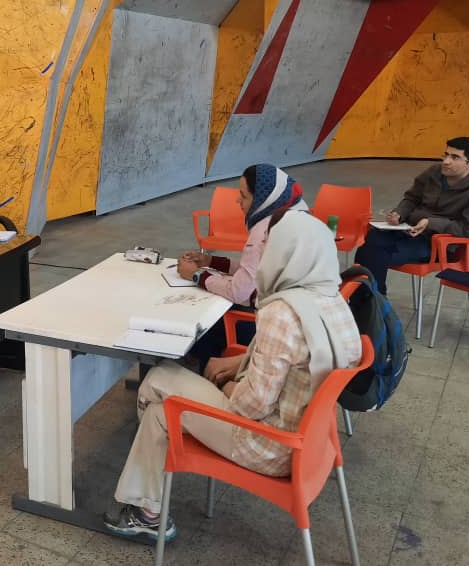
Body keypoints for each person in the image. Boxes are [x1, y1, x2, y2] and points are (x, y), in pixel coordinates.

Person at [104, 210, 362, 541]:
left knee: (157, 379)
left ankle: (156, 487)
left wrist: (228, 384)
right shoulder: (335, 302)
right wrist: (244, 363)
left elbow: (251, 406)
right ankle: (147, 512)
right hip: (312, 443)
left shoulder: (282, 313)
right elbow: (300, 360)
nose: (262, 254)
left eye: (269, 246)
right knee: (159, 414)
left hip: (267, 445)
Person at [176, 164, 309, 369]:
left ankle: (210, 373)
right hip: (297, 326)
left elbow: (238, 292)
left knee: (201, 323)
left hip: (267, 330)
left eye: (244, 196)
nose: (238, 200)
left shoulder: (264, 229)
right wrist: (211, 261)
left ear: (262, 199)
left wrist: (195, 275)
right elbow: (252, 271)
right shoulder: (294, 215)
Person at [354, 136, 469, 294]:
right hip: (406, 230)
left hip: (436, 244)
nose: (446, 161)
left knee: (373, 253)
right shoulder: (434, 172)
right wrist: (399, 213)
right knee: (372, 240)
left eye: (455, 157)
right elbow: (411, 198)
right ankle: (372, 299)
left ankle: (371, 300)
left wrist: (430, 223)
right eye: (446, 155)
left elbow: (467, 228)